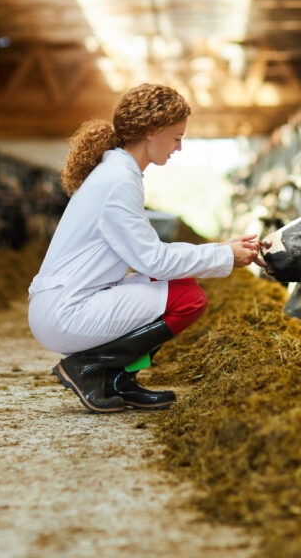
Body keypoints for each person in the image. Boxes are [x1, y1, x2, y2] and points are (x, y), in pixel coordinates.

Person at [27, 83, 262, 413]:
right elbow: (154, 261)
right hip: (67, 312)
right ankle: (90, 367)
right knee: (188, 299)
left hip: (70, 300)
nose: (179, 147)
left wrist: (223, 246)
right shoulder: (119, 181)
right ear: (152, 131)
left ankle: (119, 380)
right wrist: (224, 256)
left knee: (182, 287)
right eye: (177, 137)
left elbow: (148, 252)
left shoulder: (119, 173)